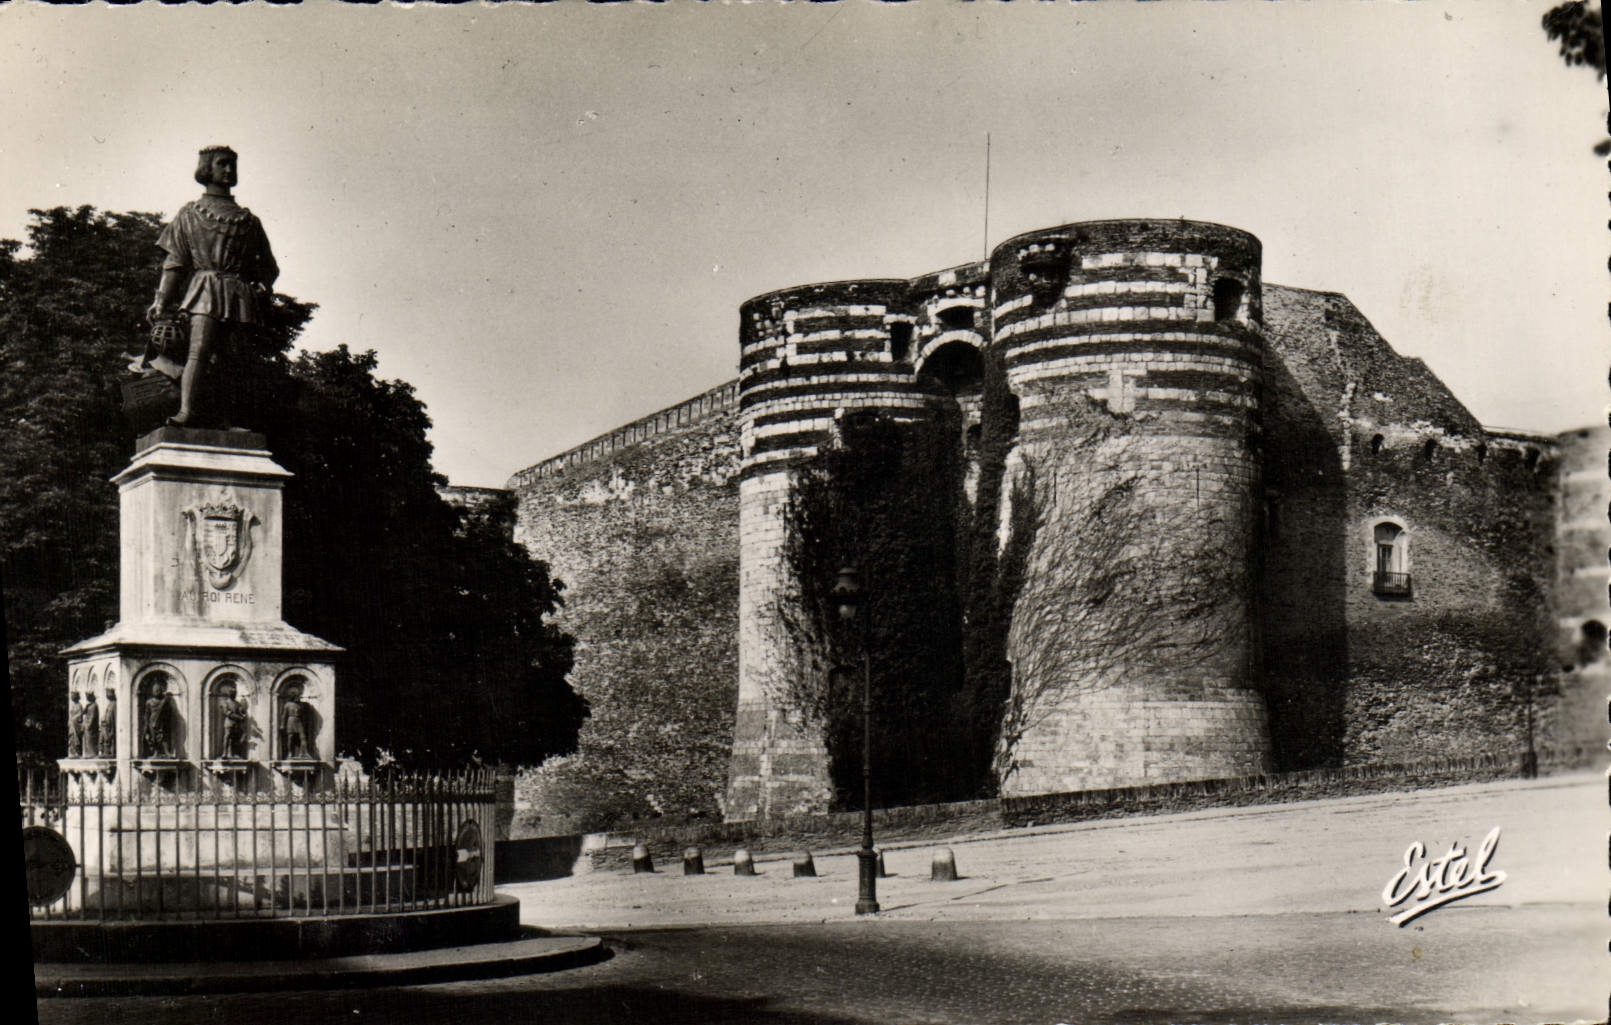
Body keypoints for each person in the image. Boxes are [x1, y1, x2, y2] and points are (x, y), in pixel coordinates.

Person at [143, 146, 278, 428]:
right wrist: (160, 300)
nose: (229, 170)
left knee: (235, 359)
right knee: (199, 350)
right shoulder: (190, 213)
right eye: (222, 164)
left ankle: (228, 419)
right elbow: (175, 262)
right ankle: (186, 411)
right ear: (206, 169)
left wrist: (263, 287)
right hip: (204, 290)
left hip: (239, 294)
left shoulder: (249, 220)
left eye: (232, 165)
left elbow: (267, 266)